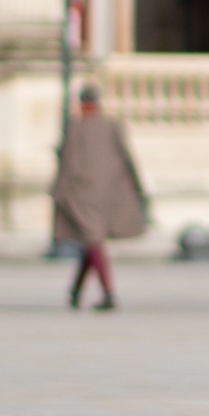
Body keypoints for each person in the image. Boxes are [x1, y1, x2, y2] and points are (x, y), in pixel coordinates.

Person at [52, 82, 146, 310]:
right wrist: (136, 187)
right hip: (109, 190)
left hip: (82, 191)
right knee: (92, 241)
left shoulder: (76, 126)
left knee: (93, 239)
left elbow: (69, 161)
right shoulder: (113, 124)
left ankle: (108, 293)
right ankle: (76, 291)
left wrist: (59, 191)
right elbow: (127, 156)